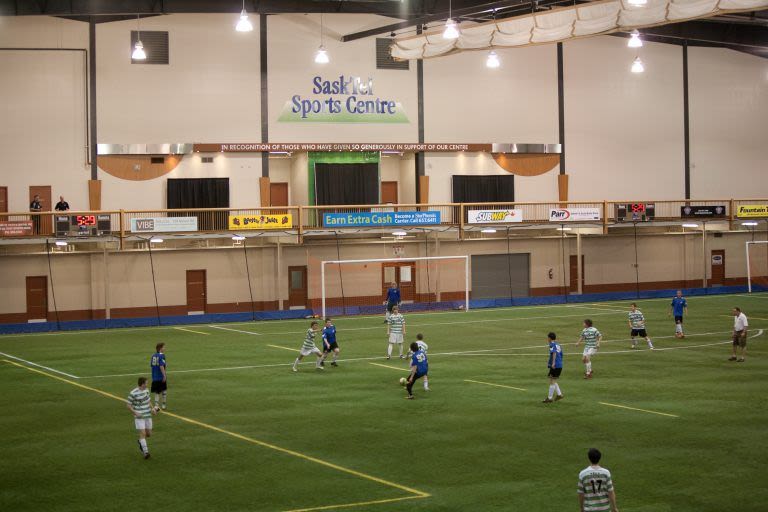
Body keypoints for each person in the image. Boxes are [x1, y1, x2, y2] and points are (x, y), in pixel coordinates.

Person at [126, 376, 157, 460]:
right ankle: (146, 452)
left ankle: (140, 442)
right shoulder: (133, 393)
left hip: (147, 415)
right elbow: (128, 405)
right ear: (142, 384)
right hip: (139, 417)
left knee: (148, 434)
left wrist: (153, 408)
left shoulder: (146, 391)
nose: (147, 384)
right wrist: (135, 412)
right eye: (146, 383)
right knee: (142, 433)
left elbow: (148, 400)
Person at [542, 332, 564, 403]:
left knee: (552, 381)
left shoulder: (552, 344)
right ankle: (559, 394)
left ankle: (550, 398)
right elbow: (561, 354)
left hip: (556, 365)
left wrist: (554, 363)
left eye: (548, 337)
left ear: (549, 338)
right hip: (559, 364)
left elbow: (554, 353)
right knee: (553, 379)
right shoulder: (558, 345)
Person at [150, 343, 167, 410]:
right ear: (160, 348)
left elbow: (152, 365)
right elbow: (161, 366)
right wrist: (164, 375)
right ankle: (163, 404)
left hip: (154, 376)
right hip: (160, 376)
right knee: (164, 390)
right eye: (164, 347)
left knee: (157, 391)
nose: (165, 348)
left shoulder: (153, 355)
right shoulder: (162, 355)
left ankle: (156, 405)